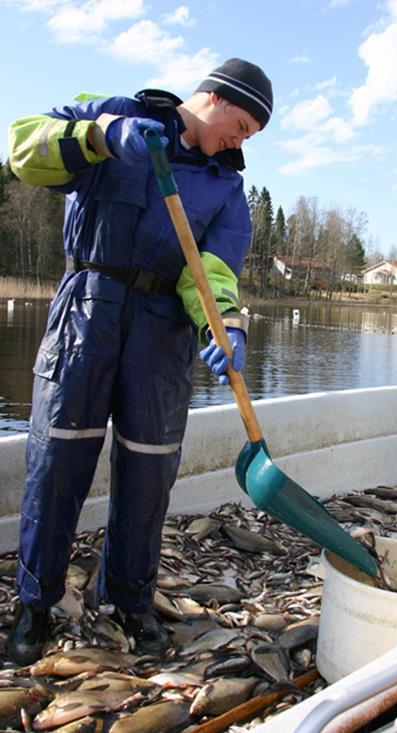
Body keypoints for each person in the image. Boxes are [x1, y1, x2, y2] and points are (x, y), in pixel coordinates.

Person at [6, 57, 273, 665]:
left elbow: (214, 273)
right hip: (87, 313)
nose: (242, 140)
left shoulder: (226, 187)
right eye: (242, 124)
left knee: (150, 475)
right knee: (56, 462)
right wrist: (98, 137)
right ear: (215, 97)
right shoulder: (116, 114)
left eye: (251, 135)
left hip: (161, 336)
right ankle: (35, 604)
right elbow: (23, 150)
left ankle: (128, 600)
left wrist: (225, 325)